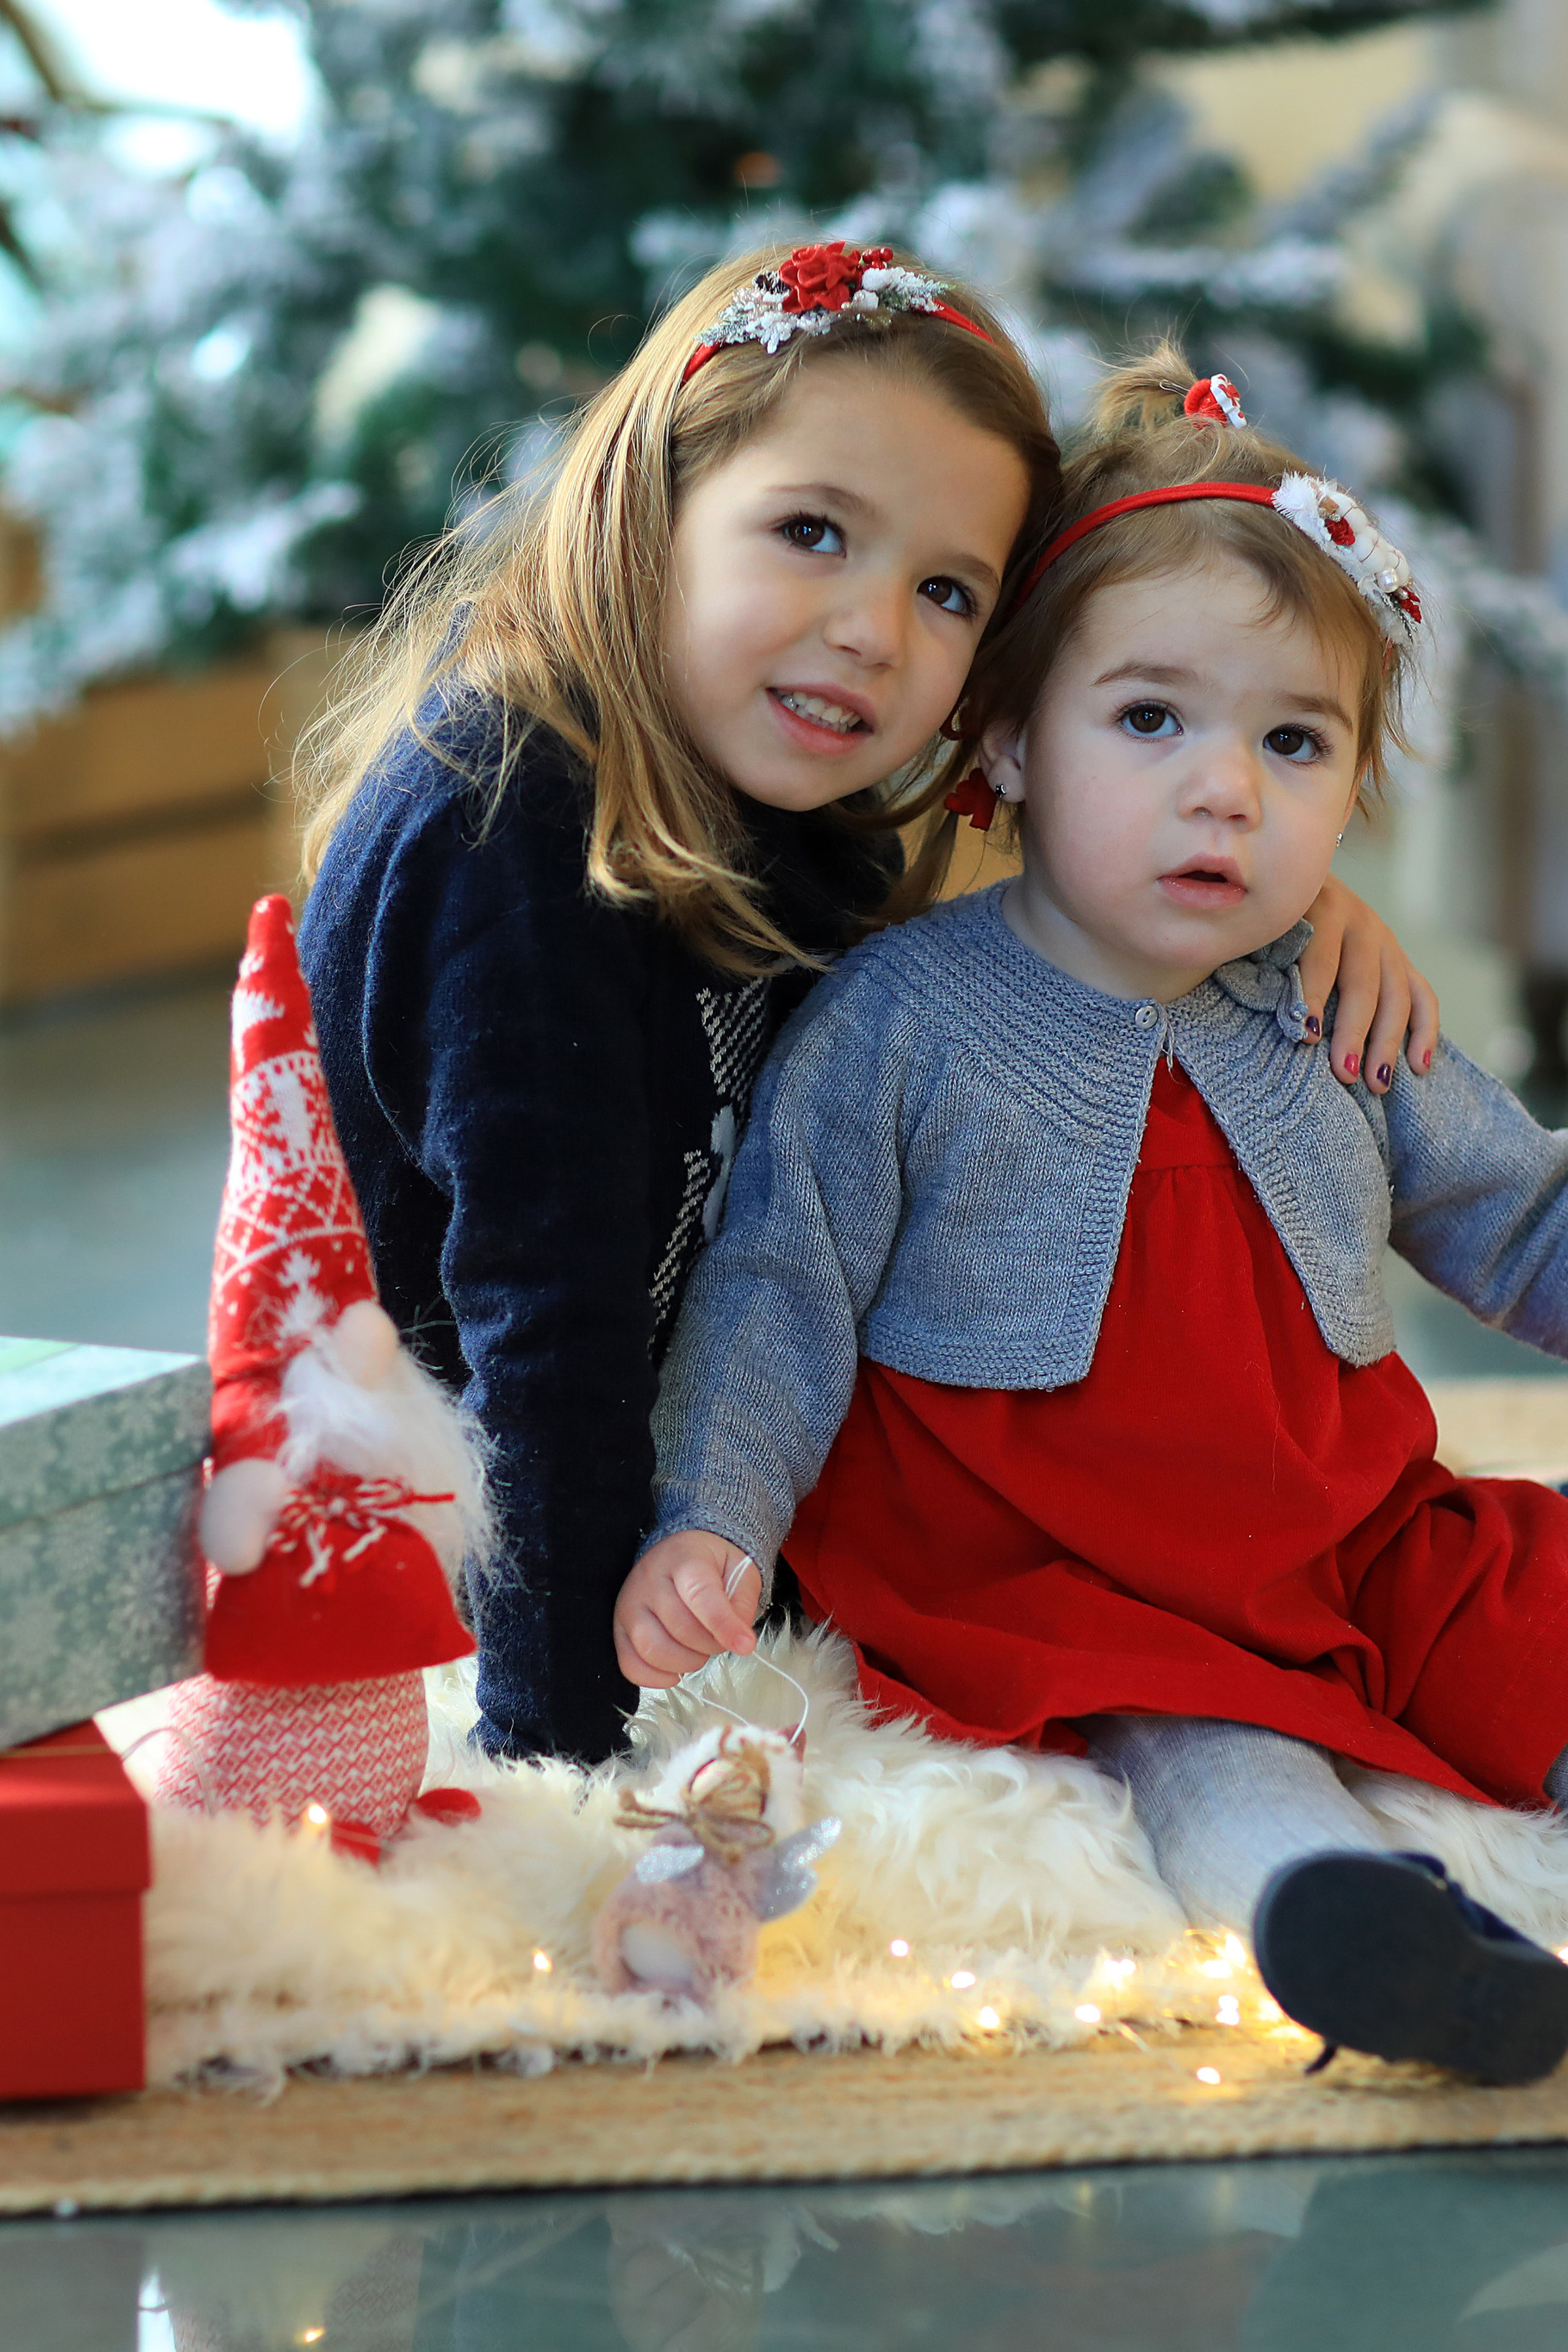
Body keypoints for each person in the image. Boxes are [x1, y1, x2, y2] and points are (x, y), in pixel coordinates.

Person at [296, 244, 1434, 1770]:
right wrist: (559, 1763)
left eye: (945, 589)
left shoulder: (765, 796)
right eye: (811, 532)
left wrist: (1271, 909)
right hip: (475, 1553)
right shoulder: (505, 823)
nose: (871, 632)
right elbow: (540, 1333)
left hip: (705, 1502)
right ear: (653, 503)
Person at [630, 344, 1568, 2084]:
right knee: (1205, 1739)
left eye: (1295, 742)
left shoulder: (1330, 1003)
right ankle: (1359, 1922)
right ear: (1007, 744)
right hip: (1047, 1561)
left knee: (1529, 1594)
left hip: (1335, 1521)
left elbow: (1519, 1222)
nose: (1227, 788)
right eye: (1151, 721)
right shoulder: (904, 1019)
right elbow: (782, 1291)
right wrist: (715, 1517)